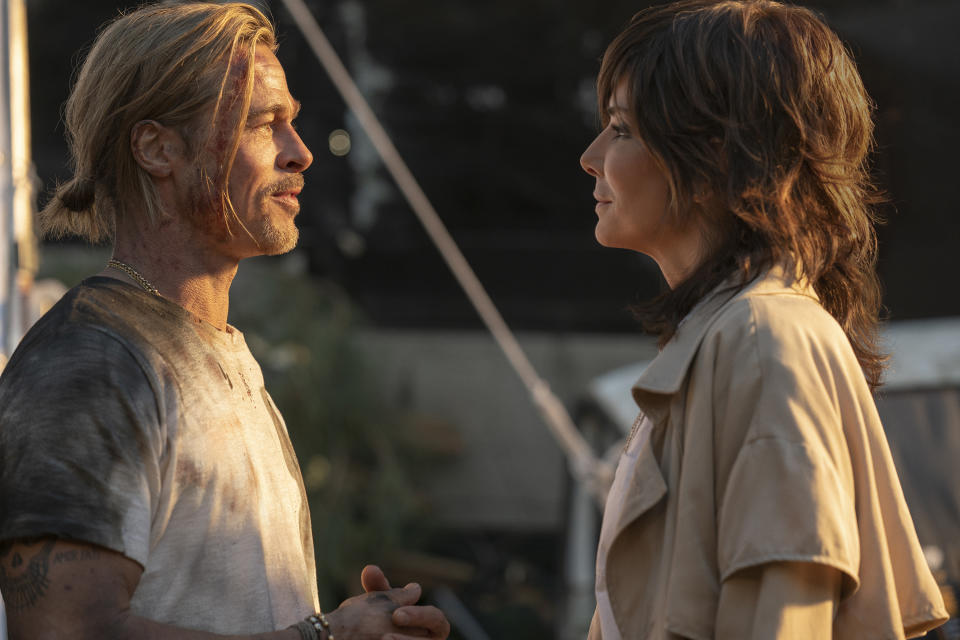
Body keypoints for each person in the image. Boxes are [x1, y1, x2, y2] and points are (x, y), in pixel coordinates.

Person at [0, 3, 449, 640]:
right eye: (264, 124)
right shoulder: (90, 359)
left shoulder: (217, 350)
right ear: (159, 149)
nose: (301, 154)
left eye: (291, 123)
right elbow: (65, 632)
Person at [579, 1, 948, 638]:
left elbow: (784, 615)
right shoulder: (733, 337)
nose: (590, 157)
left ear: (717, 153)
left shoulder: (760, 341)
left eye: (620, 128)